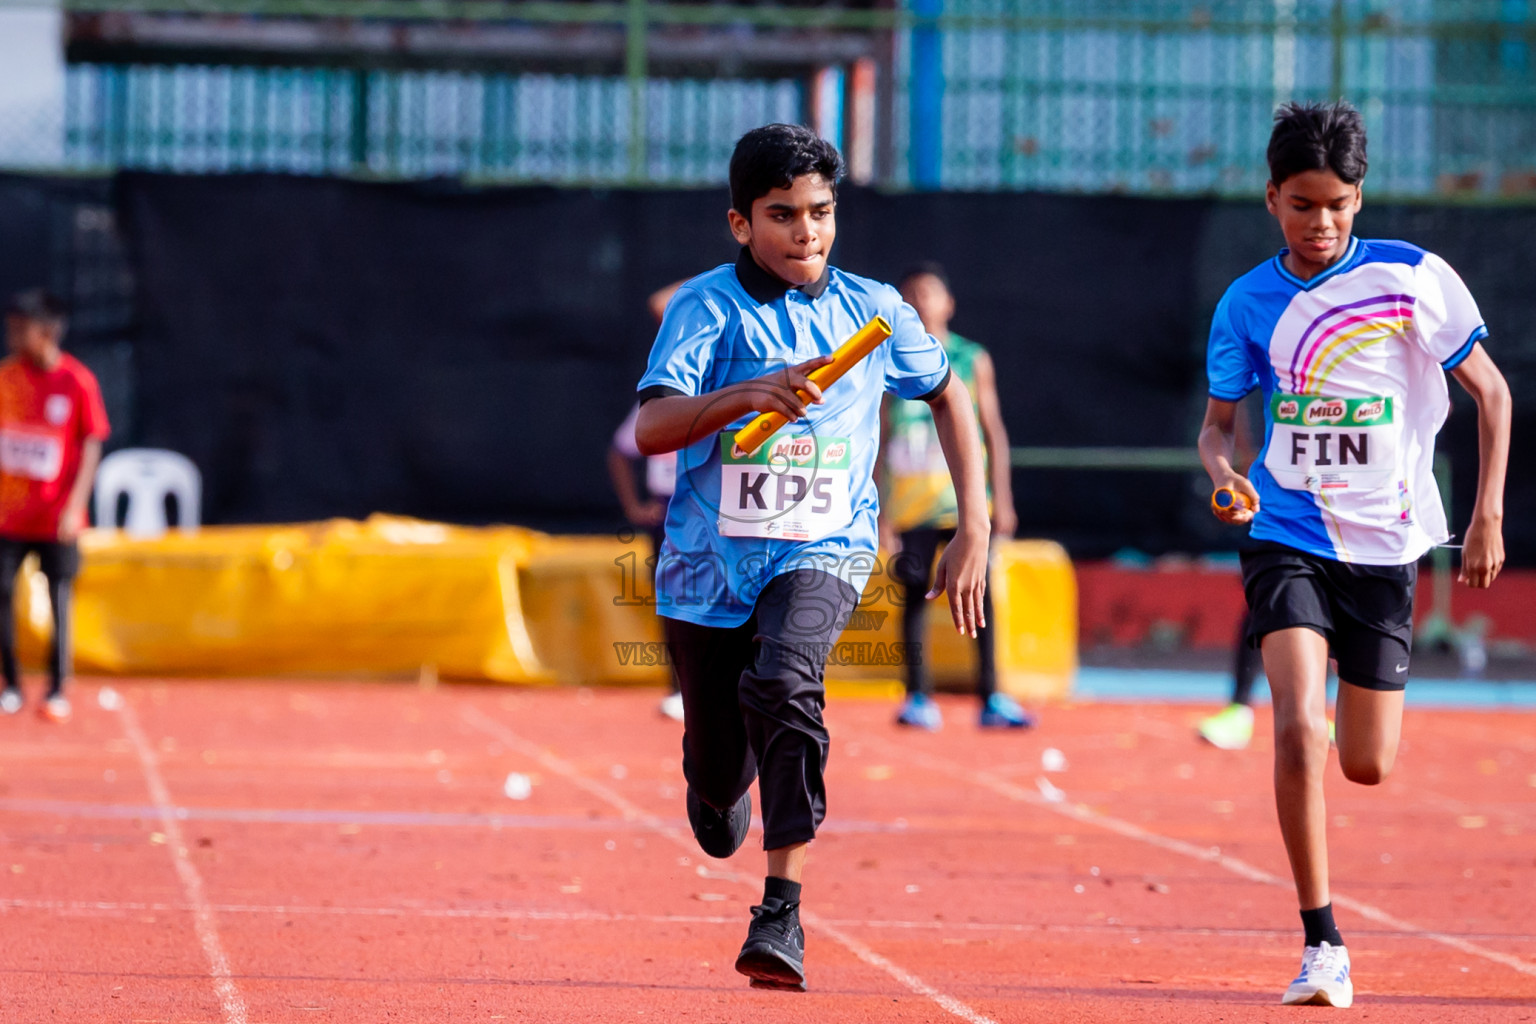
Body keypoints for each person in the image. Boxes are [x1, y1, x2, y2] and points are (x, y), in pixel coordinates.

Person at [634, 124, 989, 992]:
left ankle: (781, 909)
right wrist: (746, 394)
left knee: (787, 682)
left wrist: (975, 524)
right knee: (719, 778)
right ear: (740, 222)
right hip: (707, 571)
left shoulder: (875, 310)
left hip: (825, 550)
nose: (806, 232)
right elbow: (651, 427)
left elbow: (950, 396)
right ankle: (718, 786)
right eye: (783, 215)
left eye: (821, 213)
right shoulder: (705, 310)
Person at [1199, 101, 1510, 1008]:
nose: (1320, 223)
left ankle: (1343, 724)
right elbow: (1219, 427)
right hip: (1286, 534)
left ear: (1359, 198)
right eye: (1302, 205)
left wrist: (1485, 516)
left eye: (1337, 205)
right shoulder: (1247, 303)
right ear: (1272, 198)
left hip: (1386, 548)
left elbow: (1492, 394)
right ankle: (1321, 941)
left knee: (1365, 763)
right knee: (1299, 726)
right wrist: (1226, 475)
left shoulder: (1412, 279)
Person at [878, 262, 1032, 730]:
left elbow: (993, 430)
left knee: (979, 596)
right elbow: (881, 436)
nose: (920, 301)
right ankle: (917, 697)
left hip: (963, 504)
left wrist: (1001, 499)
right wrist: (881, 511)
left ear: (949, 303)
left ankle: (992, 695)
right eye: (910, 294)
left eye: (929, 293)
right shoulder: (886, 358)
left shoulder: (971, 357)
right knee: (913, 599)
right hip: (911, 506)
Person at [0, 290, 111, 724]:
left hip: (56, 518)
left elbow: (92, 443)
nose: (12, 337)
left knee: (59, 598)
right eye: (10, 329)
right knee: (2, 594)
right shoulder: (7, 378)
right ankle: (11, 684)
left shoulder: (77, 381)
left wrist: (75, 505)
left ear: (47, 332)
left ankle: (57, 687)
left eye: (21, 330)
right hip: (9, 517)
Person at [608, 281, 685, 721]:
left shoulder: (728, 381)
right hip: (668, 508)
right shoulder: (662, 392)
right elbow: (620, 452)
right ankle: (679, 687)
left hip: (715, 507)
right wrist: (635, 507)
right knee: (674, 600)